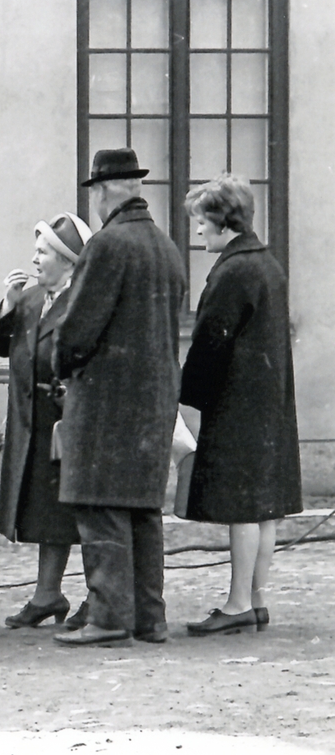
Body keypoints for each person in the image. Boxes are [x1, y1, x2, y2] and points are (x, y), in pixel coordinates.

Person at [52, 148, 186, 648]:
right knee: (142, 512)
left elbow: (79, 327)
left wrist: (59, 365)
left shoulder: (108, 245)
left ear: (101, 191)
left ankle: (109, 617)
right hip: (154, 400)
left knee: (100, 506)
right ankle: (150, 618)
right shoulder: (164, 246)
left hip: (107, 400)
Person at [178, 174, 303, 636]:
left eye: (200, 221)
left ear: (221, 221)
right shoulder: (267, 264)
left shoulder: (232, 272)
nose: (197, 232)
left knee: (242, 508)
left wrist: (184, 393)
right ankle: (256, 598)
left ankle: (236, 604)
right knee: (263, 507)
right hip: (267, 402)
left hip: (238, 405)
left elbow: (210, 343)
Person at [0, 212, 93, 630]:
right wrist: (7, 305)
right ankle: (47, 594)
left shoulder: (82, 301)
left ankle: (97, 594)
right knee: (48, 513)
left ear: (67, 260)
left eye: (43, 252)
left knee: (78, 512)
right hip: (32, 424)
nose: (34, 260)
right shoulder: (30, 299)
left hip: (64, 424)